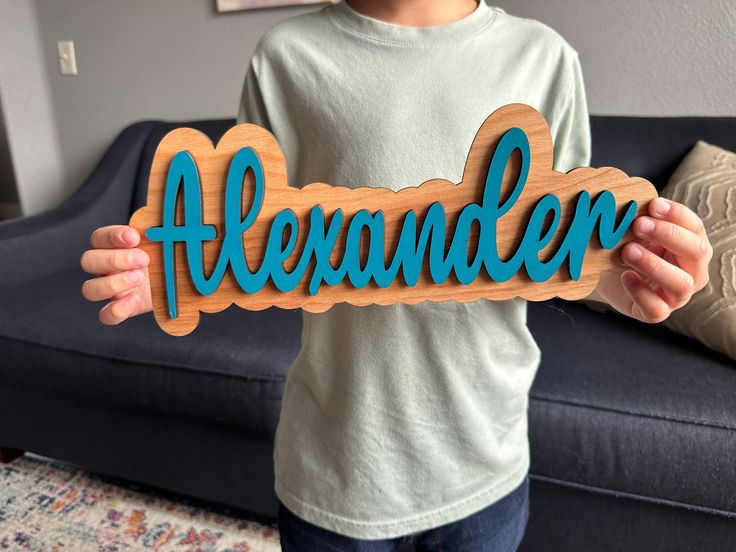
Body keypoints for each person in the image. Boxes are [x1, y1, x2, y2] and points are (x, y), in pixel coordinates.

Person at [80, 1, 712, 550]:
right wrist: (165, 266)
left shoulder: (543, 57)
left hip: (485, 460)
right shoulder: (285, 57)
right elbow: (241, 239)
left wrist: (632, 278)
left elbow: (565, 253)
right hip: (334, 466)